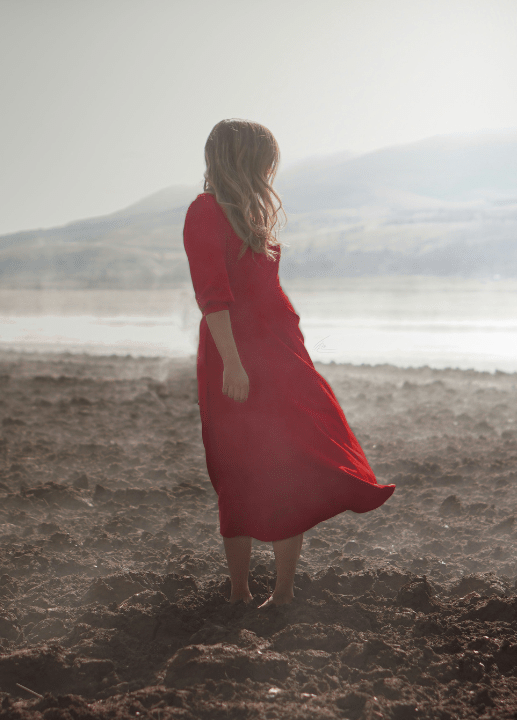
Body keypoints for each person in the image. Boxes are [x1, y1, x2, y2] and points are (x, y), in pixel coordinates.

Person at [182, 119, 395, 608]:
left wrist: (292, 338)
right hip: (235, 354)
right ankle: (238, 591)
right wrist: (233, 365)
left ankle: (282, 593)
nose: (269, 171)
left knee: (291, 459)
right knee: (236, 467)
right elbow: (213, 297)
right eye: (263, 160)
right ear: (241, 160)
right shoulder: (205, 212)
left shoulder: (249, 216)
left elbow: (264, 290)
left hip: (280, 353)